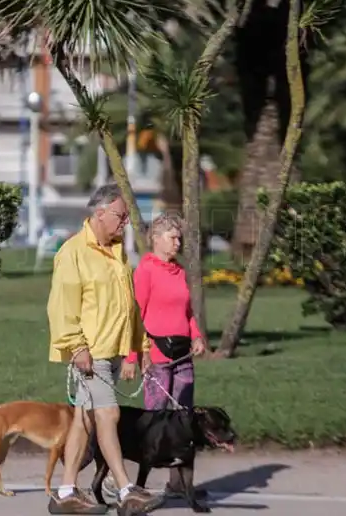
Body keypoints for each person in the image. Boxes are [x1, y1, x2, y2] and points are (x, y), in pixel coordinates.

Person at [46, 184, 164, 515]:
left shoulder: (118, 253)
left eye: (126, 216)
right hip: (89, 352)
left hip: (112, 349)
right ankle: (126, 490)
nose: (125, 222)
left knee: (84, 420)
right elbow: (61, 308)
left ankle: (66, 492)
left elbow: (130, 304)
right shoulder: (72, 252)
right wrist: (76, 346)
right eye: (121, 215)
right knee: (108, 414)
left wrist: (140, 345)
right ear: (99, 214)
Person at [123, 212, 208, 497]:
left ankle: (181, 485)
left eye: (180, 238)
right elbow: (136, 316)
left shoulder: (180, 272)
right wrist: (134, 357)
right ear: (156, 239)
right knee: (156, 423)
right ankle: (138, 485)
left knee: (185, 421)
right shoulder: (145, 270)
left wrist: (196, 334)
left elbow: (187, 312)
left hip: (183, 356)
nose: (177, 242)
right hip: (157, 355)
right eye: (173, 237)